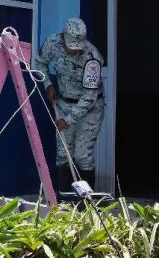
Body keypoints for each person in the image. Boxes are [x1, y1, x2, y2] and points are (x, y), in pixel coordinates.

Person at [33, 17, 105, 192]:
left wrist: (68, 120)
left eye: (77, 48)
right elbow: (39, 63)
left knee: (82, 155)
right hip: (63, 103)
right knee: (63, 154)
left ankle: (86, 204)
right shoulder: (52, 43)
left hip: (91, 109)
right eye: (70, 47)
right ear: (64, 37)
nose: (74, 51)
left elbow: (89, 96)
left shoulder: (92, 58)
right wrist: (47, 84)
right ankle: (65, 201)